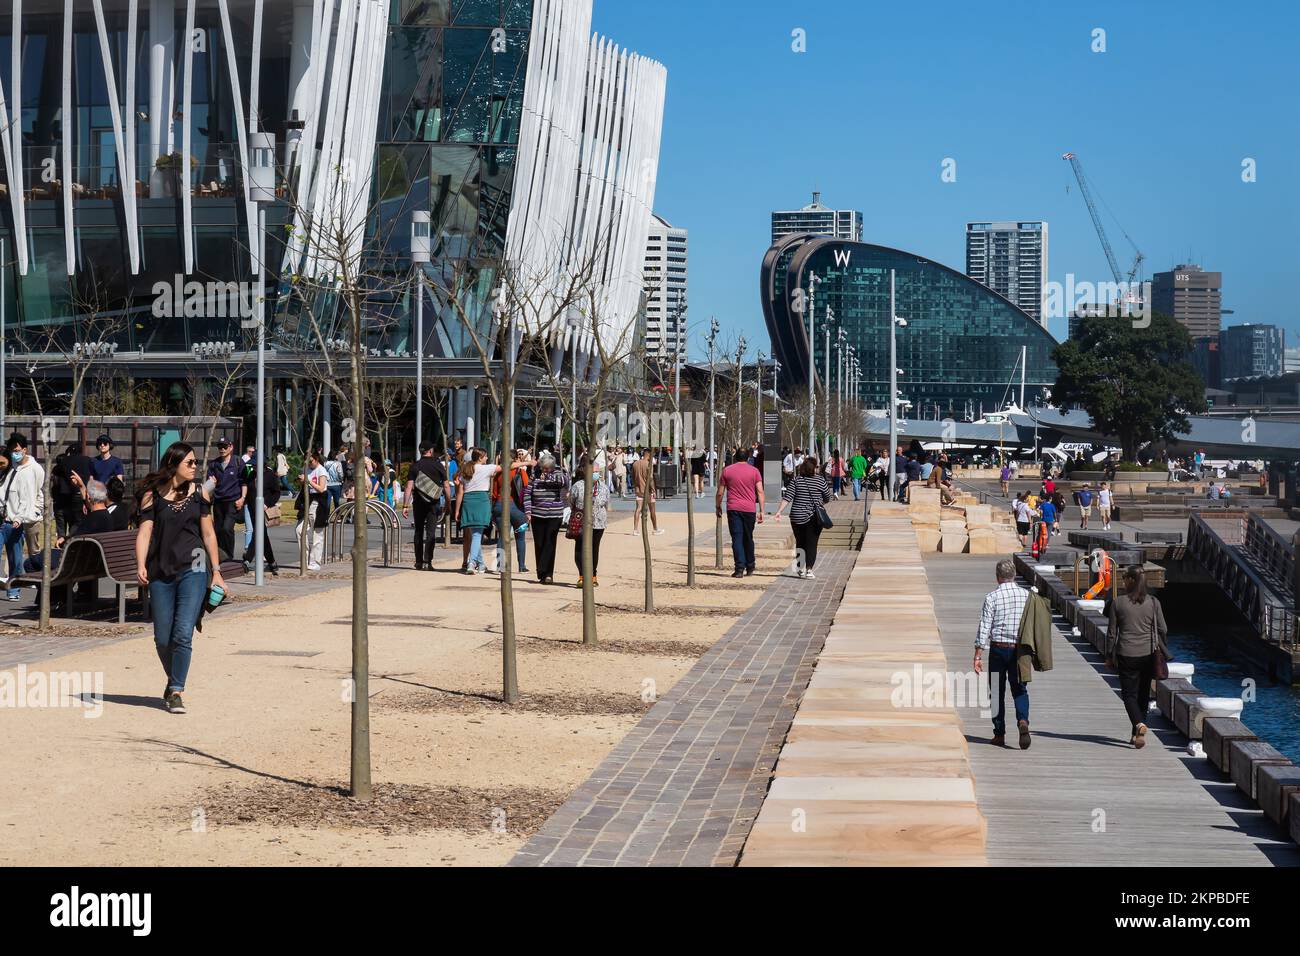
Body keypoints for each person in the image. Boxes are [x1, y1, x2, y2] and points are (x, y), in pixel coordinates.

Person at [134, 442, 226, 715]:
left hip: (194, 569)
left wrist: (217, 571)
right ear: (173, 465)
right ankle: (173, 677)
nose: (195, 467)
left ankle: (176, 690)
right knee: (163, 638)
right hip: (161, 570)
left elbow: (208, 534)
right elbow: (145, 532)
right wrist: (140, 564)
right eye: (190, 463)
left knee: (183, 632)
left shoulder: (200, 495)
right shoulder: (152, 496)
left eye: (196, 462)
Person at [1106, 566, 1169, 749]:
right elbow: (1163, 629)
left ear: (1132, 580)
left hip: (1126, 654)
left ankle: (1139, 725)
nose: (1123, 581)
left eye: (1125, 578)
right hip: (1149, 654)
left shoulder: (1118, 603)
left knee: (1128, 695)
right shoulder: (1154, 602)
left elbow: (1112, 633)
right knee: (1143, 694)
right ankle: (1136, 735)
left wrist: (1109, 656)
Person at [974, 558, 1032, 749]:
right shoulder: (1027, 596)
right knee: (1020, 689)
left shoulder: (992, 597)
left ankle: (999, 734)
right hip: (1019, 650)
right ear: (1014, 575)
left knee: (997, 692)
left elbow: (985, 627)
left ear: (998, 577)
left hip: (998, 649)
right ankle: (1023, 721)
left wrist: (978, 654)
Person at [774, 456, 831, 579]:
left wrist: (779, 511)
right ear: (814, 468)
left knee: (800, 542)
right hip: (813, 517)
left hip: (796, 517)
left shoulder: (796, 480)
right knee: (812, 543)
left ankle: (799, 568)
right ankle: (809, 570)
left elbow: (787, 497)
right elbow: (827, 497)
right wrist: (819, 501)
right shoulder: (820, 480)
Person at [4, 434, 45, 601]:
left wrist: (36, 510)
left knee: (34, 550)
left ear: (24, 450)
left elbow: (39, 491)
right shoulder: (11, 467)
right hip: (13, 518)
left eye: (17, 450)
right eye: (12, 451)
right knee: (15, 552)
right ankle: (13, 584)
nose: (15, 454)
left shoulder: (36, 468)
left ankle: (35, 578)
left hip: (31, 518)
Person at [716, 447, 765, 578]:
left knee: (737, 538)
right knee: (748, 537)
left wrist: (718, 506)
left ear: (735, 457)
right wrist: (762, 510)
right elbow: (760, 491)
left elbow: (720, 492)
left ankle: (739, 568)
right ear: (748, 457)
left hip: (734, 508)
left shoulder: (727, 470)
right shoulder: (754, 471)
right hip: (749, 509)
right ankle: (750, 566)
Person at [403, 442, 451, 570]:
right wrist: (448, 503)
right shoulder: (438, 465)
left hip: (418, 503)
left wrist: (405, 506)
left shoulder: (415, 466)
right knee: (431, 533)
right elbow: (446, 486)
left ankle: (418, 561)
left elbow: (408, 487)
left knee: (418, 531)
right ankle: (427, 561)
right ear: (430, 451)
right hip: (433, 504)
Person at [453, 448, 498, 575]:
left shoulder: (465, 470)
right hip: (481, 501)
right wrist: (526, 463)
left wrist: (457, 510)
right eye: (486, 456)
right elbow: (506, 466)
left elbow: (460, 492)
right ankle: (471, 563)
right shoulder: (486, 468)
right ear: (480, 457)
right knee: (478, 534)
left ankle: (481, 563)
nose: (487, 459)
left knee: (475, 534)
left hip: (468, 502)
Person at [528, 452, 569, 583]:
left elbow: (565, 482)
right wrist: (528, 511)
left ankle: (548, 573)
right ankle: (541, 572)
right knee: (539, 543)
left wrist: (549, 476)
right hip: (537, 514)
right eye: (543, 468)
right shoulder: (535, 475)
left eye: (547, 468)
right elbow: (527, 493)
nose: (544, 470)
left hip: (554, 514)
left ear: (552, 467)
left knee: (550, 543)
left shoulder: (558, 473)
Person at [569, 454, 609, 586]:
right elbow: (571, 501)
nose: (596, 474)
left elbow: (606, 503)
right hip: (581, 523)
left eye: (597, 472)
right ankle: (581, 575)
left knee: (594, 549)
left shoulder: (603, 487)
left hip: (598, 523)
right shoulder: (578, 486)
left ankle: (593, 575)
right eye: (593, 472)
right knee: (580, 549)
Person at [491, 450, 532, 574]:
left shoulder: (498, 474)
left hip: (499, 505)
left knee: (502, 537)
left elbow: (494, 493)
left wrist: (493, 510)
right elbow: (526, 490)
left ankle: (500, 566)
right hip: (517, 508)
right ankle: (522, 566)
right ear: (515, 460)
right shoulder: (521, 472)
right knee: (520, 537)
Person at [205, 438, 244, 561]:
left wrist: (242, 498)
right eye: (220, 447)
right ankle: (220, 556)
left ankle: (229, 557)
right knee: (218, 530)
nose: (222, 449)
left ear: (231, 447)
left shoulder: (239, 462)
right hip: (218, 502)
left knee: (227, 529)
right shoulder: (213, 464)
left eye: (225, 447)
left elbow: (246, 481)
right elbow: (210, 483)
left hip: (232, 501)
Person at [241, 457, 281, 575]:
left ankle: (247, 560)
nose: (252, 468)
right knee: (261, 534)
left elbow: (276, 492)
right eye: (251, 466)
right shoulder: (250, 472)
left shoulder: (270, 475)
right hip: (252, 508)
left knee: (258, 533)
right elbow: (245, 484)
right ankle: (272, 562)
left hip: (263, 509)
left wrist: (267, 503)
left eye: (254, 465)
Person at [296, 449, 330, 571]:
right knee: (299, 530)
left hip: (318, 502)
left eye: (310, 461)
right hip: (307, 501)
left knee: (318, 534)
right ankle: (304, 558)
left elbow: (321, 488)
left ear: (316, 459)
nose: (309, 464)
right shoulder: (307, 469)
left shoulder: (321, 470)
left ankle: (315, 561)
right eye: (306, 462)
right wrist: (302, 482)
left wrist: (308, 481)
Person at [52, 442, 93, 538]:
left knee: (64, 523)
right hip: (82, 493)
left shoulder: (64, 461)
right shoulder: (87, 460)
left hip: (66, 496)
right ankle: (71, 539)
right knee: (78, 521)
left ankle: (62, 541)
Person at [630, 447, 662, 535]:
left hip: (638, 489)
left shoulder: (635, 464)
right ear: (648, 454)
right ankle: (655, 529)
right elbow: (650, 478)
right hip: (647, 491)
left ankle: (635, 529)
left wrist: (635, 485)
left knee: (638, 509)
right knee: (652, 510)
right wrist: (653, 490)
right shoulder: (648, 464)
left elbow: (632, 477)